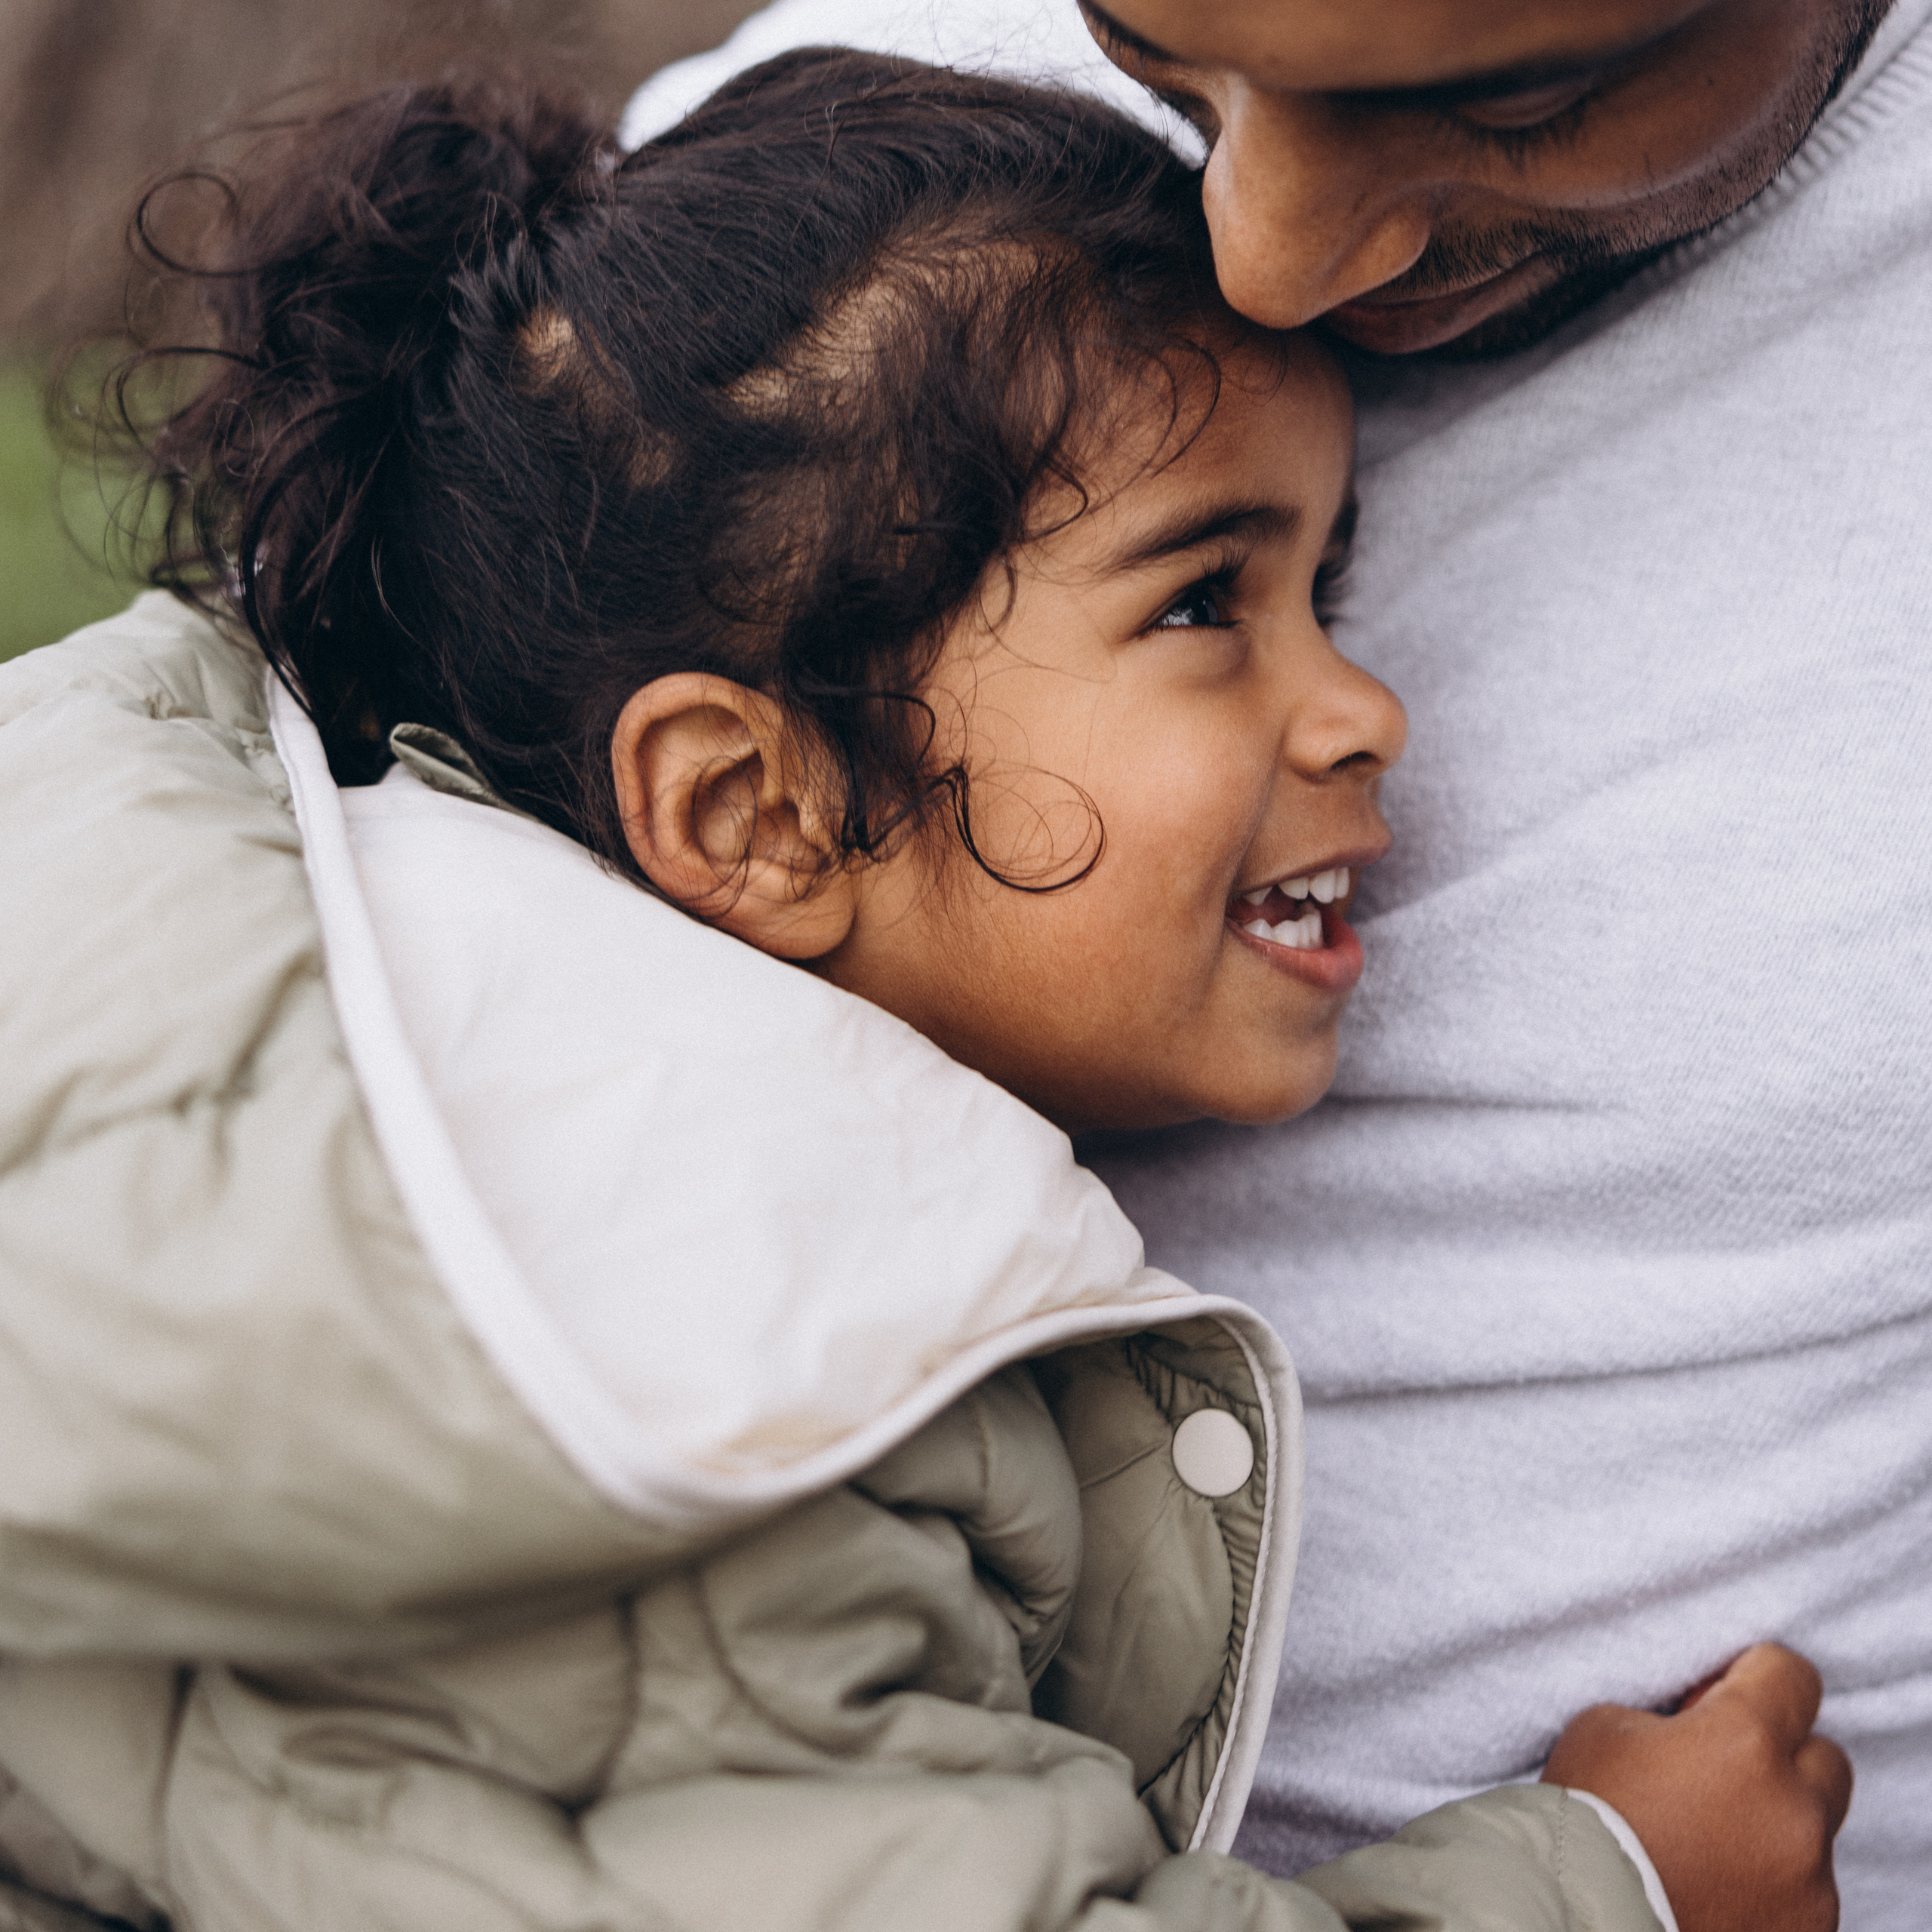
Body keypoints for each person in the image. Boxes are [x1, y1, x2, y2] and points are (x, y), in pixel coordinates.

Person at [0, 48, 1850, 1932]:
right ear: (757, 810)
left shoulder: (471, 1078)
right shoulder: (712, 1365)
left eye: (1329, 594)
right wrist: (1611, 1884)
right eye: (1205, 602)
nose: (1364, 710)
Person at [623, 0, 1932, 1924]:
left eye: (1517, 99)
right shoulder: (793, 223)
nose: (1262, 252)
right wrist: (1596, 1892)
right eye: (1153, 49)